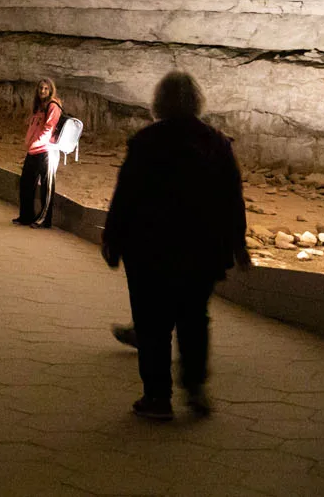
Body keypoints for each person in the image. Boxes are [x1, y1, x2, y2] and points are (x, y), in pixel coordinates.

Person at [102, 71, 250, 421]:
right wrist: (237, 244)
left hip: (150, 248)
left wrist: (113, 238)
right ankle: (195, 388)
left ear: (160, 102)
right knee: (194, 320)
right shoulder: (216, 143)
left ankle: (157, 398)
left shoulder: (146, 141)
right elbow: (233, 198)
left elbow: (126, 195)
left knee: (152, 325)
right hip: (201, 251)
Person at [15, 78, 62, 228]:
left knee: (46, 187)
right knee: (26, 182)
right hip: (33, 149)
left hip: (47, 151)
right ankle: (26, 216)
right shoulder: (39, 107)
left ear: (51, 90)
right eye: (41, 88)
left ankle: (44, 219)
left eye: (46, 89)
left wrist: (35, 143)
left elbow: (49, 128)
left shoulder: (53, 106)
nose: (43, 91)